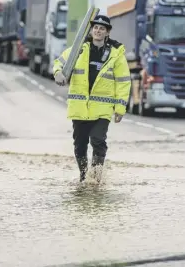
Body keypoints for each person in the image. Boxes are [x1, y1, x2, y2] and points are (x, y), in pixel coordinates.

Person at [53, 15, 131, 182]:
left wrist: (120, 109)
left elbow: (123, 82)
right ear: (91, 30)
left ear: (107, 32)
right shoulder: (79, 49)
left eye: (102, 28)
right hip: (80, 107)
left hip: (102, 109)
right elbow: (59, 62)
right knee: (80, 145)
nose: (98, 30)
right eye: (95, 27)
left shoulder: (116, 54)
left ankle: (95, 178)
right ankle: (83, 176)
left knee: (98, 140)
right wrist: (58, 73)